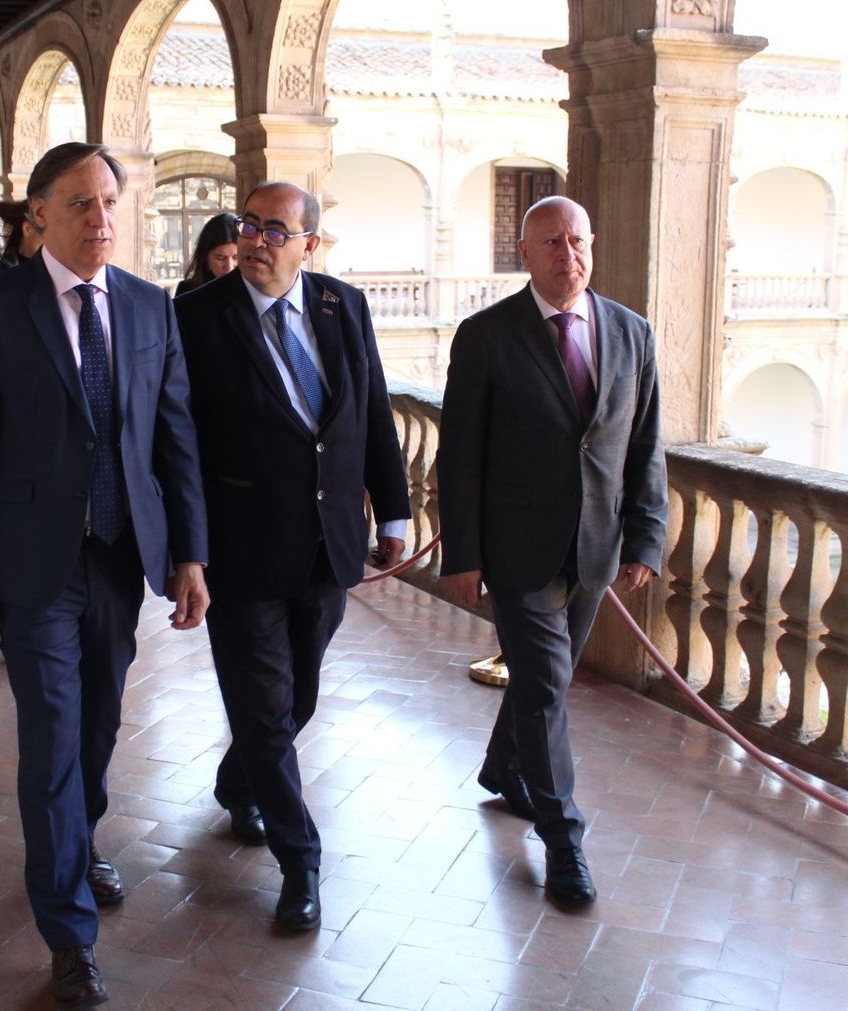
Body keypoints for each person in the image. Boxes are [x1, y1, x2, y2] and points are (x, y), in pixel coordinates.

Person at [0, 142, 209, 1009]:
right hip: (32, 564)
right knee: (54, 732)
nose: (101, 219)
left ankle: (76, 838)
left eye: (109, 202)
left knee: (98, 724)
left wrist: (190, 553)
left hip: (119, 556)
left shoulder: (147, 305)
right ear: (39, 215)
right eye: (80, 203)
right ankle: (68, 933)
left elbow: (174, 437)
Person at [174, 183, 410, 932]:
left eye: (276, 229)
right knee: (267, 708)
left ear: (310, 244)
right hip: (240, 551)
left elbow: (372, 409)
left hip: (327, 545)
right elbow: (178, 444)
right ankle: (300, 861)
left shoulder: (344, 307)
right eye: (250, 225)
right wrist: (188, 552)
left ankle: (236, 778)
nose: (257, 240)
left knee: (297, 696)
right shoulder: (197, 317)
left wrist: (393, 507)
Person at [437, 195, 667, 908]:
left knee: (546, 682)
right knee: (543, 684)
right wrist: (463, 554)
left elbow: (644, 444)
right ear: (525, 253)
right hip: (516, 548)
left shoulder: (631, 332)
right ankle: (564, 841)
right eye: (552, 243)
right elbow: (460, 455)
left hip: (596, 545)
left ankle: (503, 768)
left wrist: (645, 535)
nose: (568, 255)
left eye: (578, 241)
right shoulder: (486, 336)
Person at [173, 212, 239, 297]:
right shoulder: (187, 291)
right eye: (221, 258)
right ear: (205, 257)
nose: (229, 267)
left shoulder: (253, 289)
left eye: (236, 257)